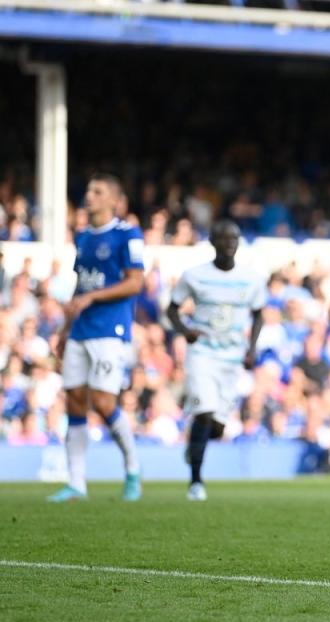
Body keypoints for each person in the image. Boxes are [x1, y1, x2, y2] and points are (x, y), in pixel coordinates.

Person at [48, 173, 145, 503]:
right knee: (74, 399)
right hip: (80, 328)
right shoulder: (84, 237)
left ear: (113, 200)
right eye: (88, 189)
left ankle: (133, 469)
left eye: (97, 191)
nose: (89, 195)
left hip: (110, 330)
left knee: (103, 402)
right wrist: (64, 328)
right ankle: (76, 483)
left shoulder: (127, 234)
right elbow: (81, 285)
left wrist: (92, 298)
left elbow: (135, 283)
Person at [166, 220, 266, 501]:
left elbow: (258, 314)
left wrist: (252, 348)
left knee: (218, 427)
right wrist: (186, 331)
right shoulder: (194, 276)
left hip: (232, 358)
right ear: (212, 242)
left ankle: (193, 444)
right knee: (205, 412)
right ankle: (196, 482)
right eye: (223, 238)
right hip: (203, 355)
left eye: (233, 238)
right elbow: (172, 309)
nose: (229, 243)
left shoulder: (251, 278)